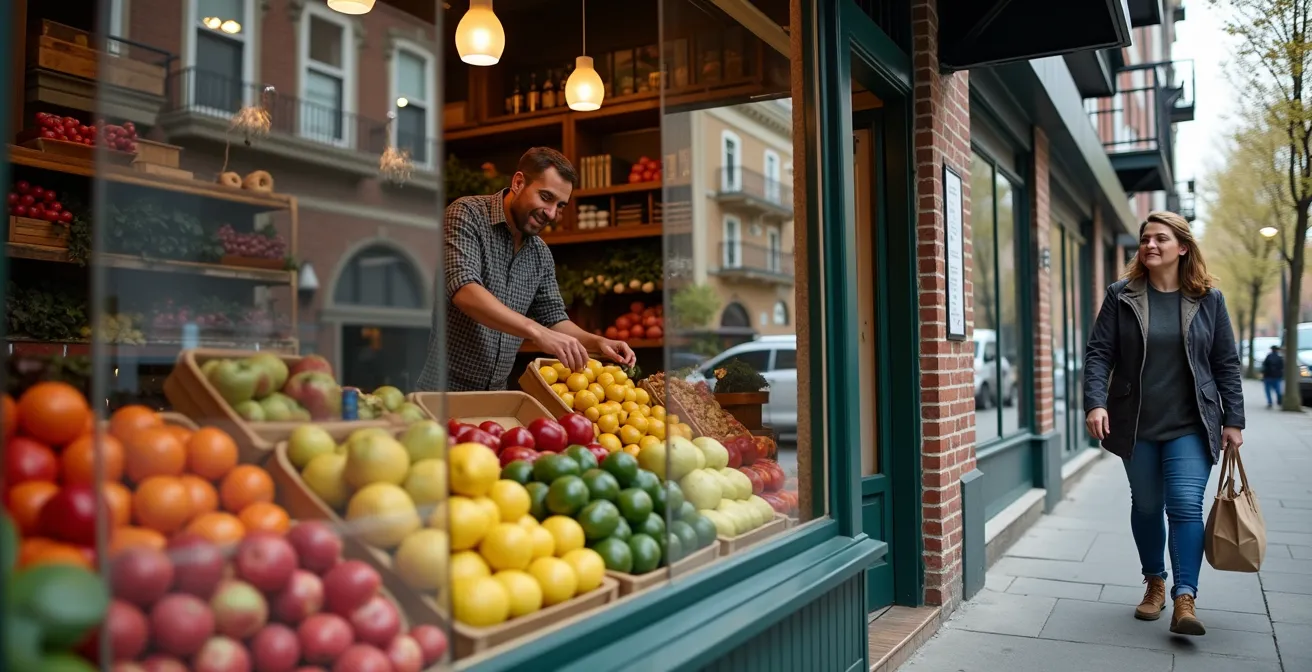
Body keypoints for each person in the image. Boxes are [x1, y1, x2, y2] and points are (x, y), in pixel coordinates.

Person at [1083, 211, 1245, 637]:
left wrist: (1235, 420)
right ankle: (1154, 581)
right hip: (1136, 423)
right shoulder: (1121, 296)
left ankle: (1184, 596)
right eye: (1145, 239)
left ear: (1183, 247)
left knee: (1186, 506)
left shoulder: (1209, 299)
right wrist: (1095, 403)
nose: (1150, 245)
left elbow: (1225, 362)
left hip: (1192, 424)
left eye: (1160, 238)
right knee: (1148, 505)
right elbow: (1099, 353)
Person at [418, 147, 636, 392]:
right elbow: (464, 290)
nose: (552, 214)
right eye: (546, 197)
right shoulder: (466, 215)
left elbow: (554, 318)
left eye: (560, 205)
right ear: (519, 182)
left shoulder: (540, 254)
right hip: (439, 389)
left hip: (496, 393)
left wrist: (597, 342)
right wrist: (536, 332)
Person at [1261, 344, 1284, 409]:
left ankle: (1270, 402)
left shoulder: (1268, 357)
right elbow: (1282, 367)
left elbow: (1264, 366)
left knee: (1268, 390)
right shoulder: (1280, 358)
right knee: (1278, 390)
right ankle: (1279, 401)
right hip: (1277, 376)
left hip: (1268, 376)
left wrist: (1263, 375)